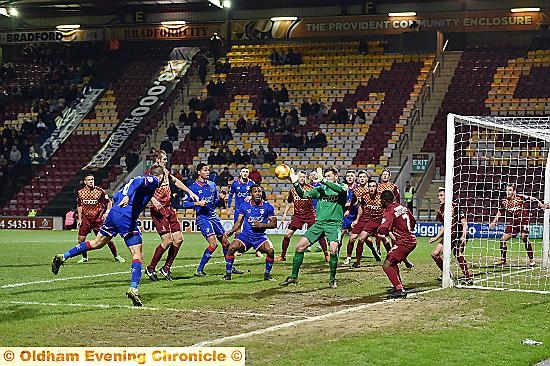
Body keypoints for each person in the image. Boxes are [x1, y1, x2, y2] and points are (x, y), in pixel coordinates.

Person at [51, 165, 166, 307]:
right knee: (137, 254)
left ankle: (63, 256)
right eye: (164, 177)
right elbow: (138, 183)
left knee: (96, 243)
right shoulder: (153, 180)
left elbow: (117, 196)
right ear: (160, 176)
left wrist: (135, 198)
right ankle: (133, 288)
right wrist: (128, 196)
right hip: (126, 218)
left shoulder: (132, 182)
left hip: (114, 214)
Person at [280, 167, 347, 289]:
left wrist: (323, 180)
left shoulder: (343, 187)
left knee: (333, 250)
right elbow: (304, 194)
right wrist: (295, 183)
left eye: (329, 176)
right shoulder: (321, 189)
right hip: (319, 223)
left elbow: (339, 190)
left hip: (334, 224)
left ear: (336, 176)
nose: (327, 178)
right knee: (300, 247)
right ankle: (293, 277)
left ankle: (332, 278)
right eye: (325, 176)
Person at [145, 150, 199, 282]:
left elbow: (175, 181)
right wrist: (153, 199)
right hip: (158, 210)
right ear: (157, 160)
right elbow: (143, 190)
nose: (165, 161)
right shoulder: (151, 173)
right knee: (167, 240)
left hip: (169, 208)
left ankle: (166, 268)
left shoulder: (166, 172)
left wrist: (190, 192)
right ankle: (151, 268)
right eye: (163, 159)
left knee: (179, 239)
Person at [186, 163, 243, 276]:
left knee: (226, 243)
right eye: (205, 170)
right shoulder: (193, 187)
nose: (208, 172)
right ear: (199, 172)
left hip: (213, 216)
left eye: (208, 170)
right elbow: (184, 203)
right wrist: (197, 203)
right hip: (203, 217)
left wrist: (220, 199)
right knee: (213, 244)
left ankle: (230, 267)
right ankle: (199, 270)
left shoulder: (212, 185)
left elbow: (214, 203)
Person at [222, 185, 278, 281]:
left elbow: (274, 224)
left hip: (260, 237)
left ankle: (267, 275)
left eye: (259, 191)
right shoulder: (244, 205)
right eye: (255, 191)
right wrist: (231, 231)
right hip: (245, 236)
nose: (258, 194)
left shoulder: (268, 207)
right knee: (231, 248)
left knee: (270, 251)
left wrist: (261, 225)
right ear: (251, 194)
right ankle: (228, 274)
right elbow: (239, 222)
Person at [489, 184, 549, 266]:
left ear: (514, 191)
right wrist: (494, 221)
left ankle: (532, 260)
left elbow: (533, 199)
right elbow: (500, 212)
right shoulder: (504, 202)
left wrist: (542, 205)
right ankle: (503, 260)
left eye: (510, 190)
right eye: (507, 190)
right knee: (503, 240)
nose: (508, 192)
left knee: (524, 238)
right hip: (514, 222)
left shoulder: (520, 197)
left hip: (524, 220)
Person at [277, 170, 329, 262]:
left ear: (306, 178)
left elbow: (321, 198)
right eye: (300, 176)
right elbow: (289, 202)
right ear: (297, 178)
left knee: (320, 235)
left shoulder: (310, 188)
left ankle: (326, 254)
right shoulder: (293, 190)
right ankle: (282, 255)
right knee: (287, 235)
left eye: (304, 177)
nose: (302, 178)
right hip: (298, 216)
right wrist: (285, 213)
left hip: (310, 214)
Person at [76, 173, 125, 264]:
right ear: (85, 181)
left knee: (107, 239)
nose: (91, 181)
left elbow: (109, 202)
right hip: (86, 219)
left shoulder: (99, 191)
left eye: (92, 179)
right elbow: (79, 205)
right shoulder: (80, 192)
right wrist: (79, 218)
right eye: (89, 180)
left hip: (97, 220)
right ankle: (84, 258)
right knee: (80, 240)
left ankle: (116, 256)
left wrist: (107, 212)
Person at [429, 187, 472, 285]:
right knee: (435, 254)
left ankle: (468, 277)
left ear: (447, 196)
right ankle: (446, 273)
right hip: (450, 235)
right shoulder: (440, 211)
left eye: (441, 196)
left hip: (459, 233)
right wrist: (436, 238)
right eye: (438, 196)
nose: (439, 198)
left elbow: (464, 223)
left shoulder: (455, 206)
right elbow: (444, 226)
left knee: (457, 253)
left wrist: (464, 236)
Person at [378, 190, 417, 299]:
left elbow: (382, 230)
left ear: (384, 201)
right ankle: (398, 285)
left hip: (404, 242)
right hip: (411, 239)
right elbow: (413, 221)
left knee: (387, 265)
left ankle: (400, 290)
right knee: (393, 263)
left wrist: (383, 230)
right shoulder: (402, 208)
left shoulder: (389, 211)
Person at [378, 168, 414, 269]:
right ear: (381, 176)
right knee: (381, 236)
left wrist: (396, 211)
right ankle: (378, 251)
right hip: (379, 214)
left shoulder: (394, 187)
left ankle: (400, 258)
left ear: (389, 176)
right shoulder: (377, 187)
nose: (384, 176)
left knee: (394, 238)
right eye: (383, 174)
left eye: (386, 174)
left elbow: (396, 201)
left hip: (390, 215)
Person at [343, 171, 371, 266]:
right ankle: (349, 257)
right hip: (360, 217)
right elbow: (356, 204)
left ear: (367, 178)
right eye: (360, 177)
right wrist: (349, 210)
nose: (362, 178)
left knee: (383, 237)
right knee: (353, 239)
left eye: (364, 177)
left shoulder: (372, 189)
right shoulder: (356, 190)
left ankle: (381, 254)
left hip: (373, 218)